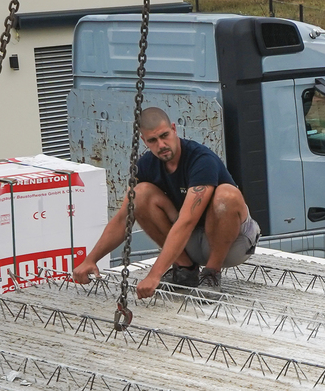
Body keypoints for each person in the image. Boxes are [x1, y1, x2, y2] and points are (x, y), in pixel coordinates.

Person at [72, 108, 260, 298]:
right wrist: (91, 259)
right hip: (191, 241)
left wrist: (155, 274)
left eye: (164, 136)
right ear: (144, 141)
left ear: (174, 129)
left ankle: (211, 273)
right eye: (153, 140)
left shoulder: (201, 159)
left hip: (234, 243)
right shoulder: (145, 165)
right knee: (140, 194)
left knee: (226, 195)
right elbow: (123, 219)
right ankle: (185, 269)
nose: (161, 144)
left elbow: (186, 221)